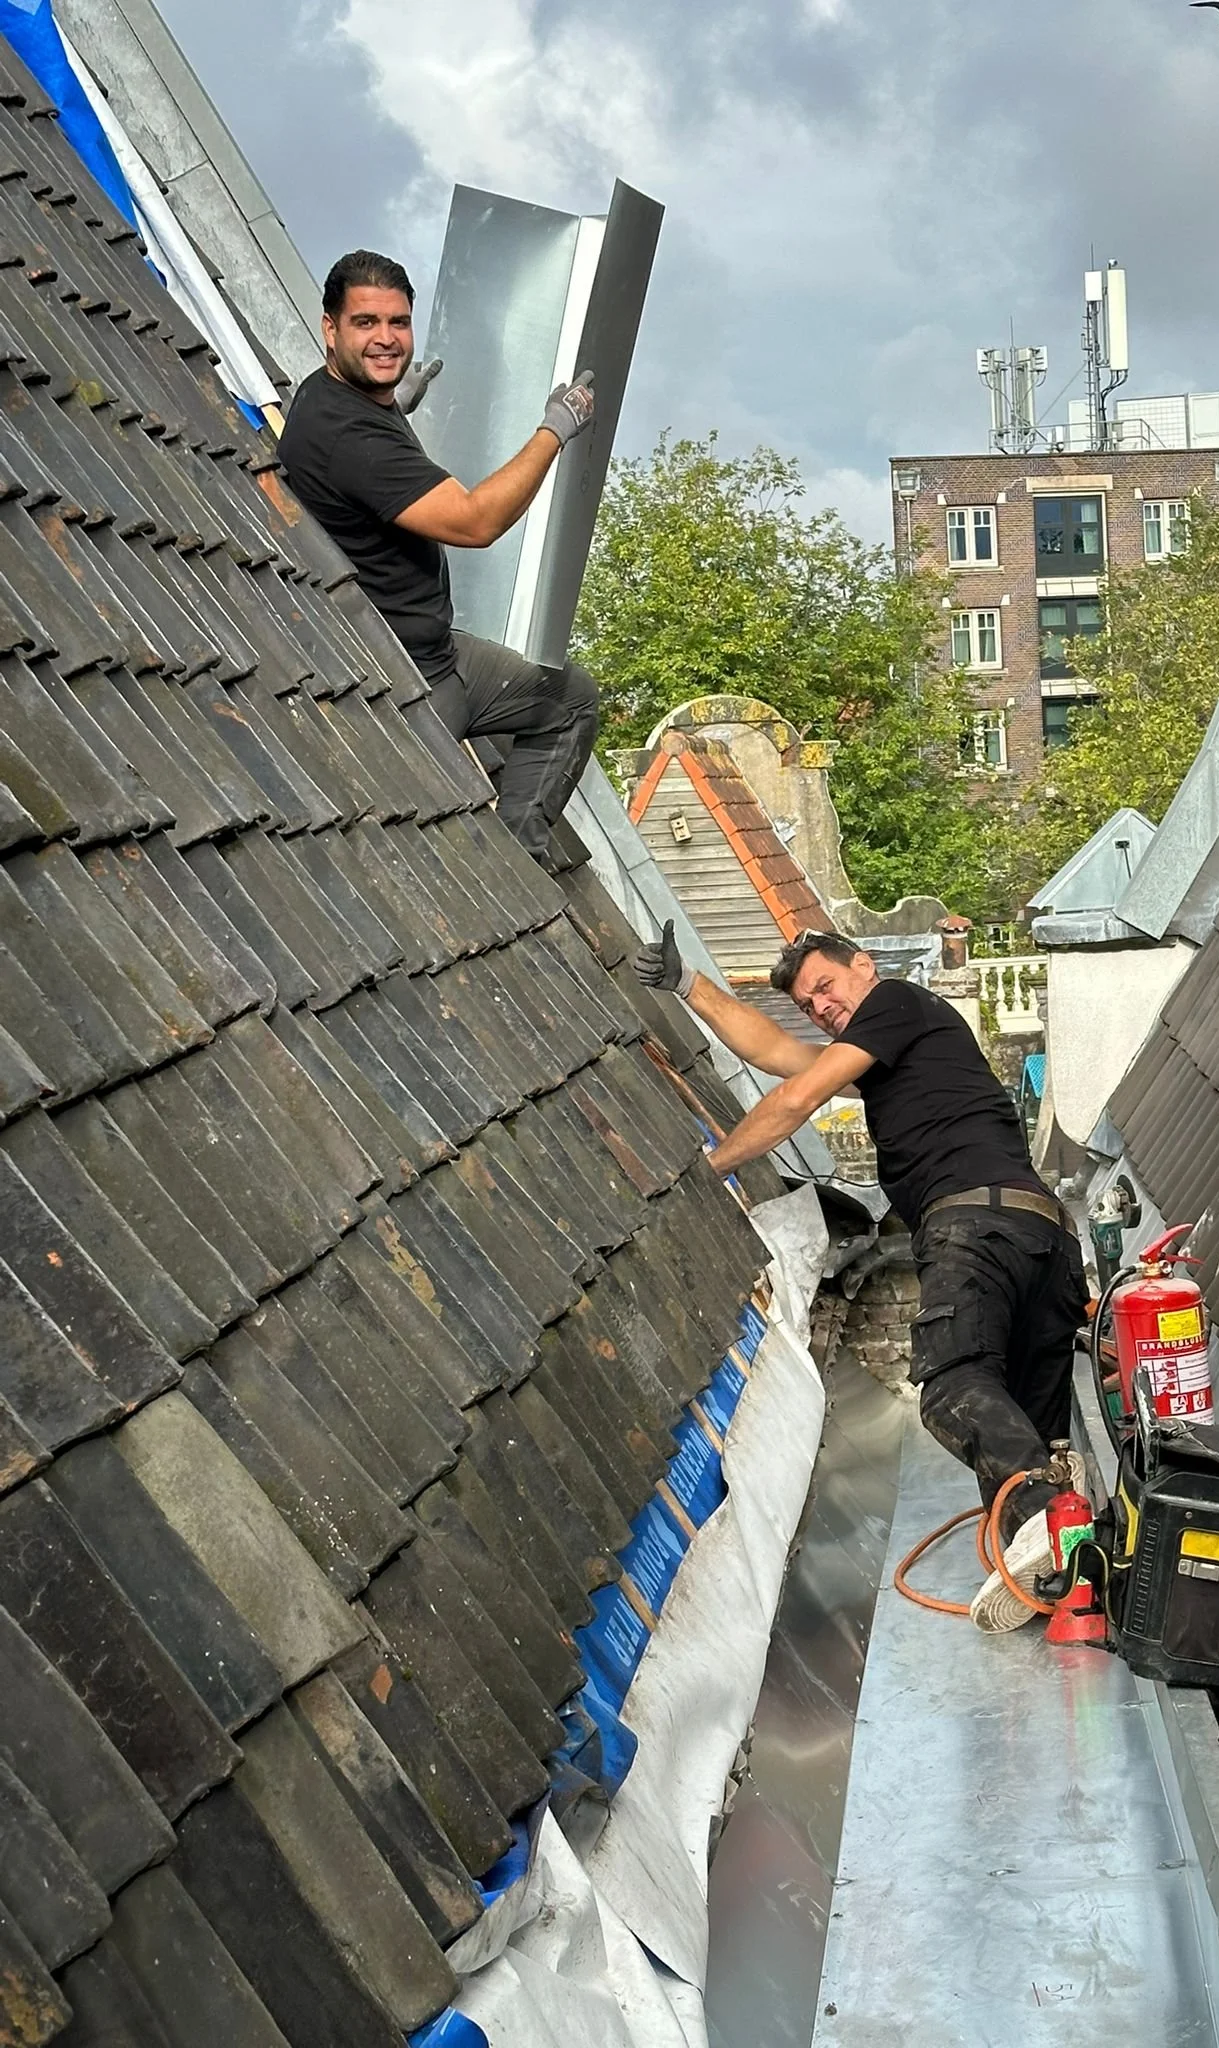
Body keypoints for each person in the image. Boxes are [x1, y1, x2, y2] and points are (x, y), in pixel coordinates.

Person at [635, 922, 1087, 1631]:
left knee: (953, 1389)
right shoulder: (892, 1050)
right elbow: (778, 1053)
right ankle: (1062, 1576)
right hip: (1046, 1238)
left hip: (976, 1226)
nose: (821, 1007)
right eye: (810, 1005)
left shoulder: (899, 1001)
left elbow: (797, 1097)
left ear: (864, 967)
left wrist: (706, 1172)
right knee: (1029, 1434)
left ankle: (1044, 1521)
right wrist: (687, 983)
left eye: (827, 986)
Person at [280, 248, 600, 866]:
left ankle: (517, 858)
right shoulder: (349, 434)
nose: (386, 339)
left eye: (397, 323)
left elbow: (363, 461)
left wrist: (398, 406)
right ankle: (515, 875)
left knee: (571, 694)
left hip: (430, 649)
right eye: (365, 323)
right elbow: (476, 522)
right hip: (408, 683)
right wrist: (554, 431)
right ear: (330, 327)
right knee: (567, 709)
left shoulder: (334, 399)